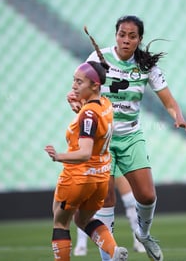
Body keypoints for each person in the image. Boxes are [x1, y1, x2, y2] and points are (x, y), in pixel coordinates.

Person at [68, 15, 186, 261]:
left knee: (147, 195)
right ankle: (109, 256)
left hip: (131, 136)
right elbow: (77, 89)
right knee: (106, 198)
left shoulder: (147, 67)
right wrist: (74, 99)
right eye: (122, 34)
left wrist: (178, 117)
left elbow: (169, 102)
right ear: (116, 35)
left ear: (139, 39)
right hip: (100, 139)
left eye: (132, 36)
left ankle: (144, 234)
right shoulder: (97, 59)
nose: (126, 40)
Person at [44, 60, 128, 261]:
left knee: (60, 221)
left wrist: (58, 156)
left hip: (77, 177)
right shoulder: (105, 104)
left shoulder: (88, 114)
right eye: (74, 80)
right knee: (84, 219)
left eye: (79, 82)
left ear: (94, 85)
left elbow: (84, 153)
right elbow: (92, 120)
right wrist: (79, 107)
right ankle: (114, 251)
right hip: (100, 178)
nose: (74, 85)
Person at [74, 175, 145, 256]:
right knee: (87, 199)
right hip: (95, 165)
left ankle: (138, 239)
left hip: (114, 163)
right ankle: (81, 244)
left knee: (130, 199)